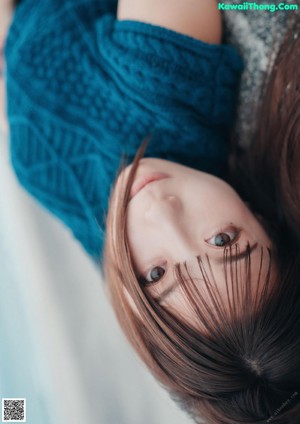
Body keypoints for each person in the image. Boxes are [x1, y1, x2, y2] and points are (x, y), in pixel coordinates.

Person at [2, 0, 300, 422]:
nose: (161, 211)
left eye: (157, 276)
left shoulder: (104, 244)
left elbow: (22, 105)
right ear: (262, 219)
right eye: (222, 240)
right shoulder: (163, 81)